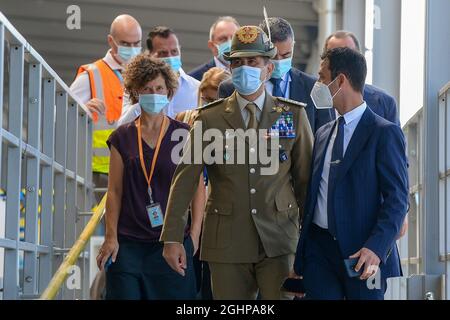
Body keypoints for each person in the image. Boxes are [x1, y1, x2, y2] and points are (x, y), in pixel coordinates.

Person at [160, 26, 313, 300]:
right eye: (238, 62)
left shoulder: (291, 115)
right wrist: (172, 238)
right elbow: (185, 179)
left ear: (268, 68)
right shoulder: (209, 119)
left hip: (279, 242)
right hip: (226, 244)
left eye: (253, 61)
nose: (245, 68)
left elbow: (305, 183)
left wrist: (309, 245)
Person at [292, 47, 408, 300]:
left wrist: (376, 248)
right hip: (319, 253)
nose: (318, 84)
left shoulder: (384, 133)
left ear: (341, 80)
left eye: (322, 77)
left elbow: (397, 200)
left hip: (363, 255)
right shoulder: (323, 133)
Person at [96, 54, 204, 299]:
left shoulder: (184, 135)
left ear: (168, 91)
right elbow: (114, 192)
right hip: (129, 245)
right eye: (147, 89)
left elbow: (197, 188)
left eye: (159, 88)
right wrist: (111, 237)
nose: (154, 94)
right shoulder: (122, 137)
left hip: (172, 242)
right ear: (136, 92)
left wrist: (195, 235)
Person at [70, 14, 142, 202]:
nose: (133, 49)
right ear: (111, 41)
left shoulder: (144, 75)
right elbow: (60, 113)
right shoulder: (92, 75)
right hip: (100, 173)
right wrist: (83, 110)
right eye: (126, 44)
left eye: (137, 43)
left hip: (136, 170)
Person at [218, 17, 332, 134]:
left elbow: (325, 136)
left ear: (292, 46)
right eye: (273, 56)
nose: (279, 61)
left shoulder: (314, 87)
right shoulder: (230, 88)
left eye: (286, 55)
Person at [176, 67, 231, 300]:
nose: (208, 103)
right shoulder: (184, 119)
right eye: (205, 98)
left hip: (221, 213)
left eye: (215, 99)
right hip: (190, 212)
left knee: (213, 284)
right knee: (188, 281)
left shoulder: (234, 124)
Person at [118, 26, 200, 124]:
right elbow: (122, 124)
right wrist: (146, 101)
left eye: (174, 51)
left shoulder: (197, 88)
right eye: (163, 53)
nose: (170, 57)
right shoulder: (136, 86)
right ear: (150, 54)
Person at [324, 30, 400, 126]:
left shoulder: (384, 102)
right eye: (333, 55)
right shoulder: (314, 101)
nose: (340, 61)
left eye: (348, 54)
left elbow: (393, 138)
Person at [188, 16, 240, 81]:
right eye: (223, 39)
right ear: (212, 46)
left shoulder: (252, 74)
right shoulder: (194, 79)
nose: (230, 44)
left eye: (234, 38)